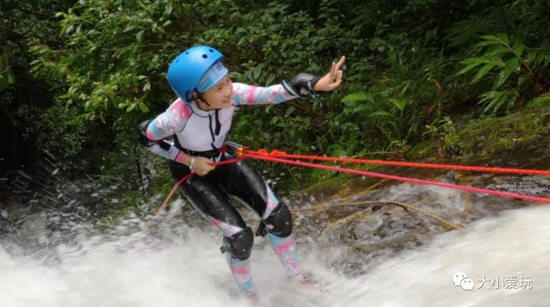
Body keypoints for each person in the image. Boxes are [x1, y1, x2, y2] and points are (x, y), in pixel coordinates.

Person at [138, 45, 345, 300]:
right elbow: (146, 137)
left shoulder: (233, 94)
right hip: (190, 174)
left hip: (223, 158)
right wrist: (190, 161)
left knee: (278, 216)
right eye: (218, 88)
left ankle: (297, 280)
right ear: (194, 96)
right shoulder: (176, 116)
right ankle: (250, 296)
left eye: (227, 81)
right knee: (240, 237)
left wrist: (315, 85)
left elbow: (271, 94)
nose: (228, 92)